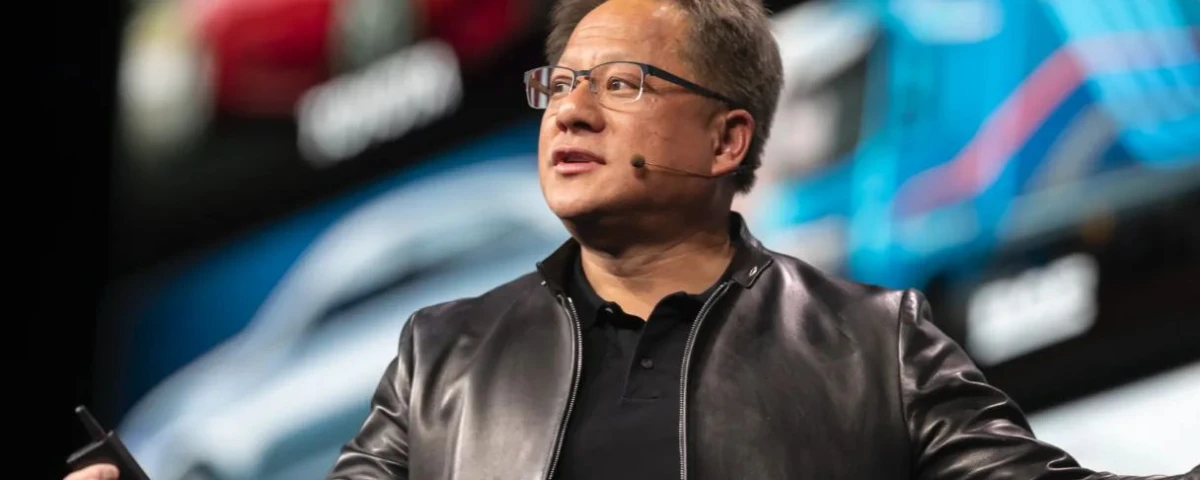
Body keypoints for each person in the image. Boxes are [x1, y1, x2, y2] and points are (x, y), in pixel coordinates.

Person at [67, 0, 1200, 479]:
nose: (570, 115)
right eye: (559, 86)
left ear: (728, 137)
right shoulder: (441, 357)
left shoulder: (873, 341)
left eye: (619, 87)